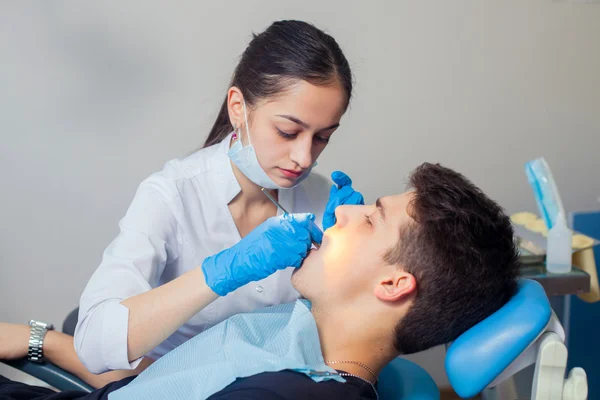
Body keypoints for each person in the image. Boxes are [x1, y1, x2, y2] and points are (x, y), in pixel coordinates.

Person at [0, 163, 520, 400]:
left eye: (369, 217)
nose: (342, 212)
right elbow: (169, 386)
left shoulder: (291, 389)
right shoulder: (304, 339)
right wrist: (37, 340)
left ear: (393, 285)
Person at [66, 19, 364, 377]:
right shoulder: (172, 194)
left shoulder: (324, 202)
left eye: (322, 137)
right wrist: (220, 272)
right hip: (172, 384)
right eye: (288, 131)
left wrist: (346, 270)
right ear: (238, 107)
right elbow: (94, 344)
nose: (304, 157)